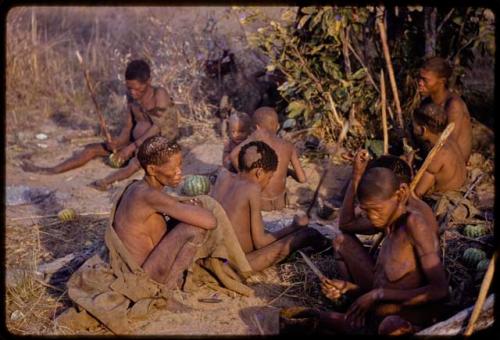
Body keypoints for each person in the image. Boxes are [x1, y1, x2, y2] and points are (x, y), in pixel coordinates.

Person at [316, 149, 450, 334]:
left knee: (390, 326)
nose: (370, 218)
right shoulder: (389, 219)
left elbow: (440, 290)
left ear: (400, 193)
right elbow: (346, 225)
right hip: (376, 313)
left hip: (400, 321)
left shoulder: (415, 223)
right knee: (311, 317)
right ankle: (354, 308)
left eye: (374, 210)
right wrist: (348, 288)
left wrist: (377, 295)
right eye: (366, 211)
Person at [22, 59, 178, 191]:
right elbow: (128, 127)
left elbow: (157, 127)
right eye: (130, 88)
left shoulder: (160, 94)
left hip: (156, 143)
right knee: (91, 149)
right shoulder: (131, 97)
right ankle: (52, 170)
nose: (133, 93)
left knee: (135, 162)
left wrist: (132, 147)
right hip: (134, 142)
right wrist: (118, 142)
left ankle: (105, 182)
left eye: (138, 89)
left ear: (148, 81)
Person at [112, 135, 216, 289]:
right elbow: (210, 221)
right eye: (173, 168)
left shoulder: (137, 187)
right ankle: (169, 288)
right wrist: (194, 209)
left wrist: (185, 208)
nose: (179, 172)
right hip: (146, 277)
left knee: (189, 216)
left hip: (142, 267)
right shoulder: (149, 195)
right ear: (152, 169)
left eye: (180, 165)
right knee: (195, 227)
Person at [212, 140, 327, 272]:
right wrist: (294, 227)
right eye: (269, 177)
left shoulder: (223, 175)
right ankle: (331, 249)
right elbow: (260, 243)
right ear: (259, 172)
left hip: (214, 253)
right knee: (307, 234)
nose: (267, 183)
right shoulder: (252, 188)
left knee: (271, 232)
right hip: (234, 263)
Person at [229, 106, 306, 211]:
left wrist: (245, 176)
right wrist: (287, 171)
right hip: (280, 204)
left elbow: (233, 155)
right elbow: (302, 179)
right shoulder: (289, 146)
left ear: (257, 128)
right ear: (278, 126)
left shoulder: (258, 135)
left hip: (260, 203)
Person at [417, 56, 472, 162]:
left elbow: (450, 146)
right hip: (432, 160)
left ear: (441, 81)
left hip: (452, 166)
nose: (420, 83)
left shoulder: (454, 105)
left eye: (425, 80)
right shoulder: (426, 103)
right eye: (419, 78)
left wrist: (426, 134)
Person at [412, 102, 466, 198]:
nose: (413, 130)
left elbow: (417, 193)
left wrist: (408, 164)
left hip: (447, 199)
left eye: (414, 127)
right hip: (460, 190)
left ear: (423, 130)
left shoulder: (437, 155)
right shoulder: (450, 140)